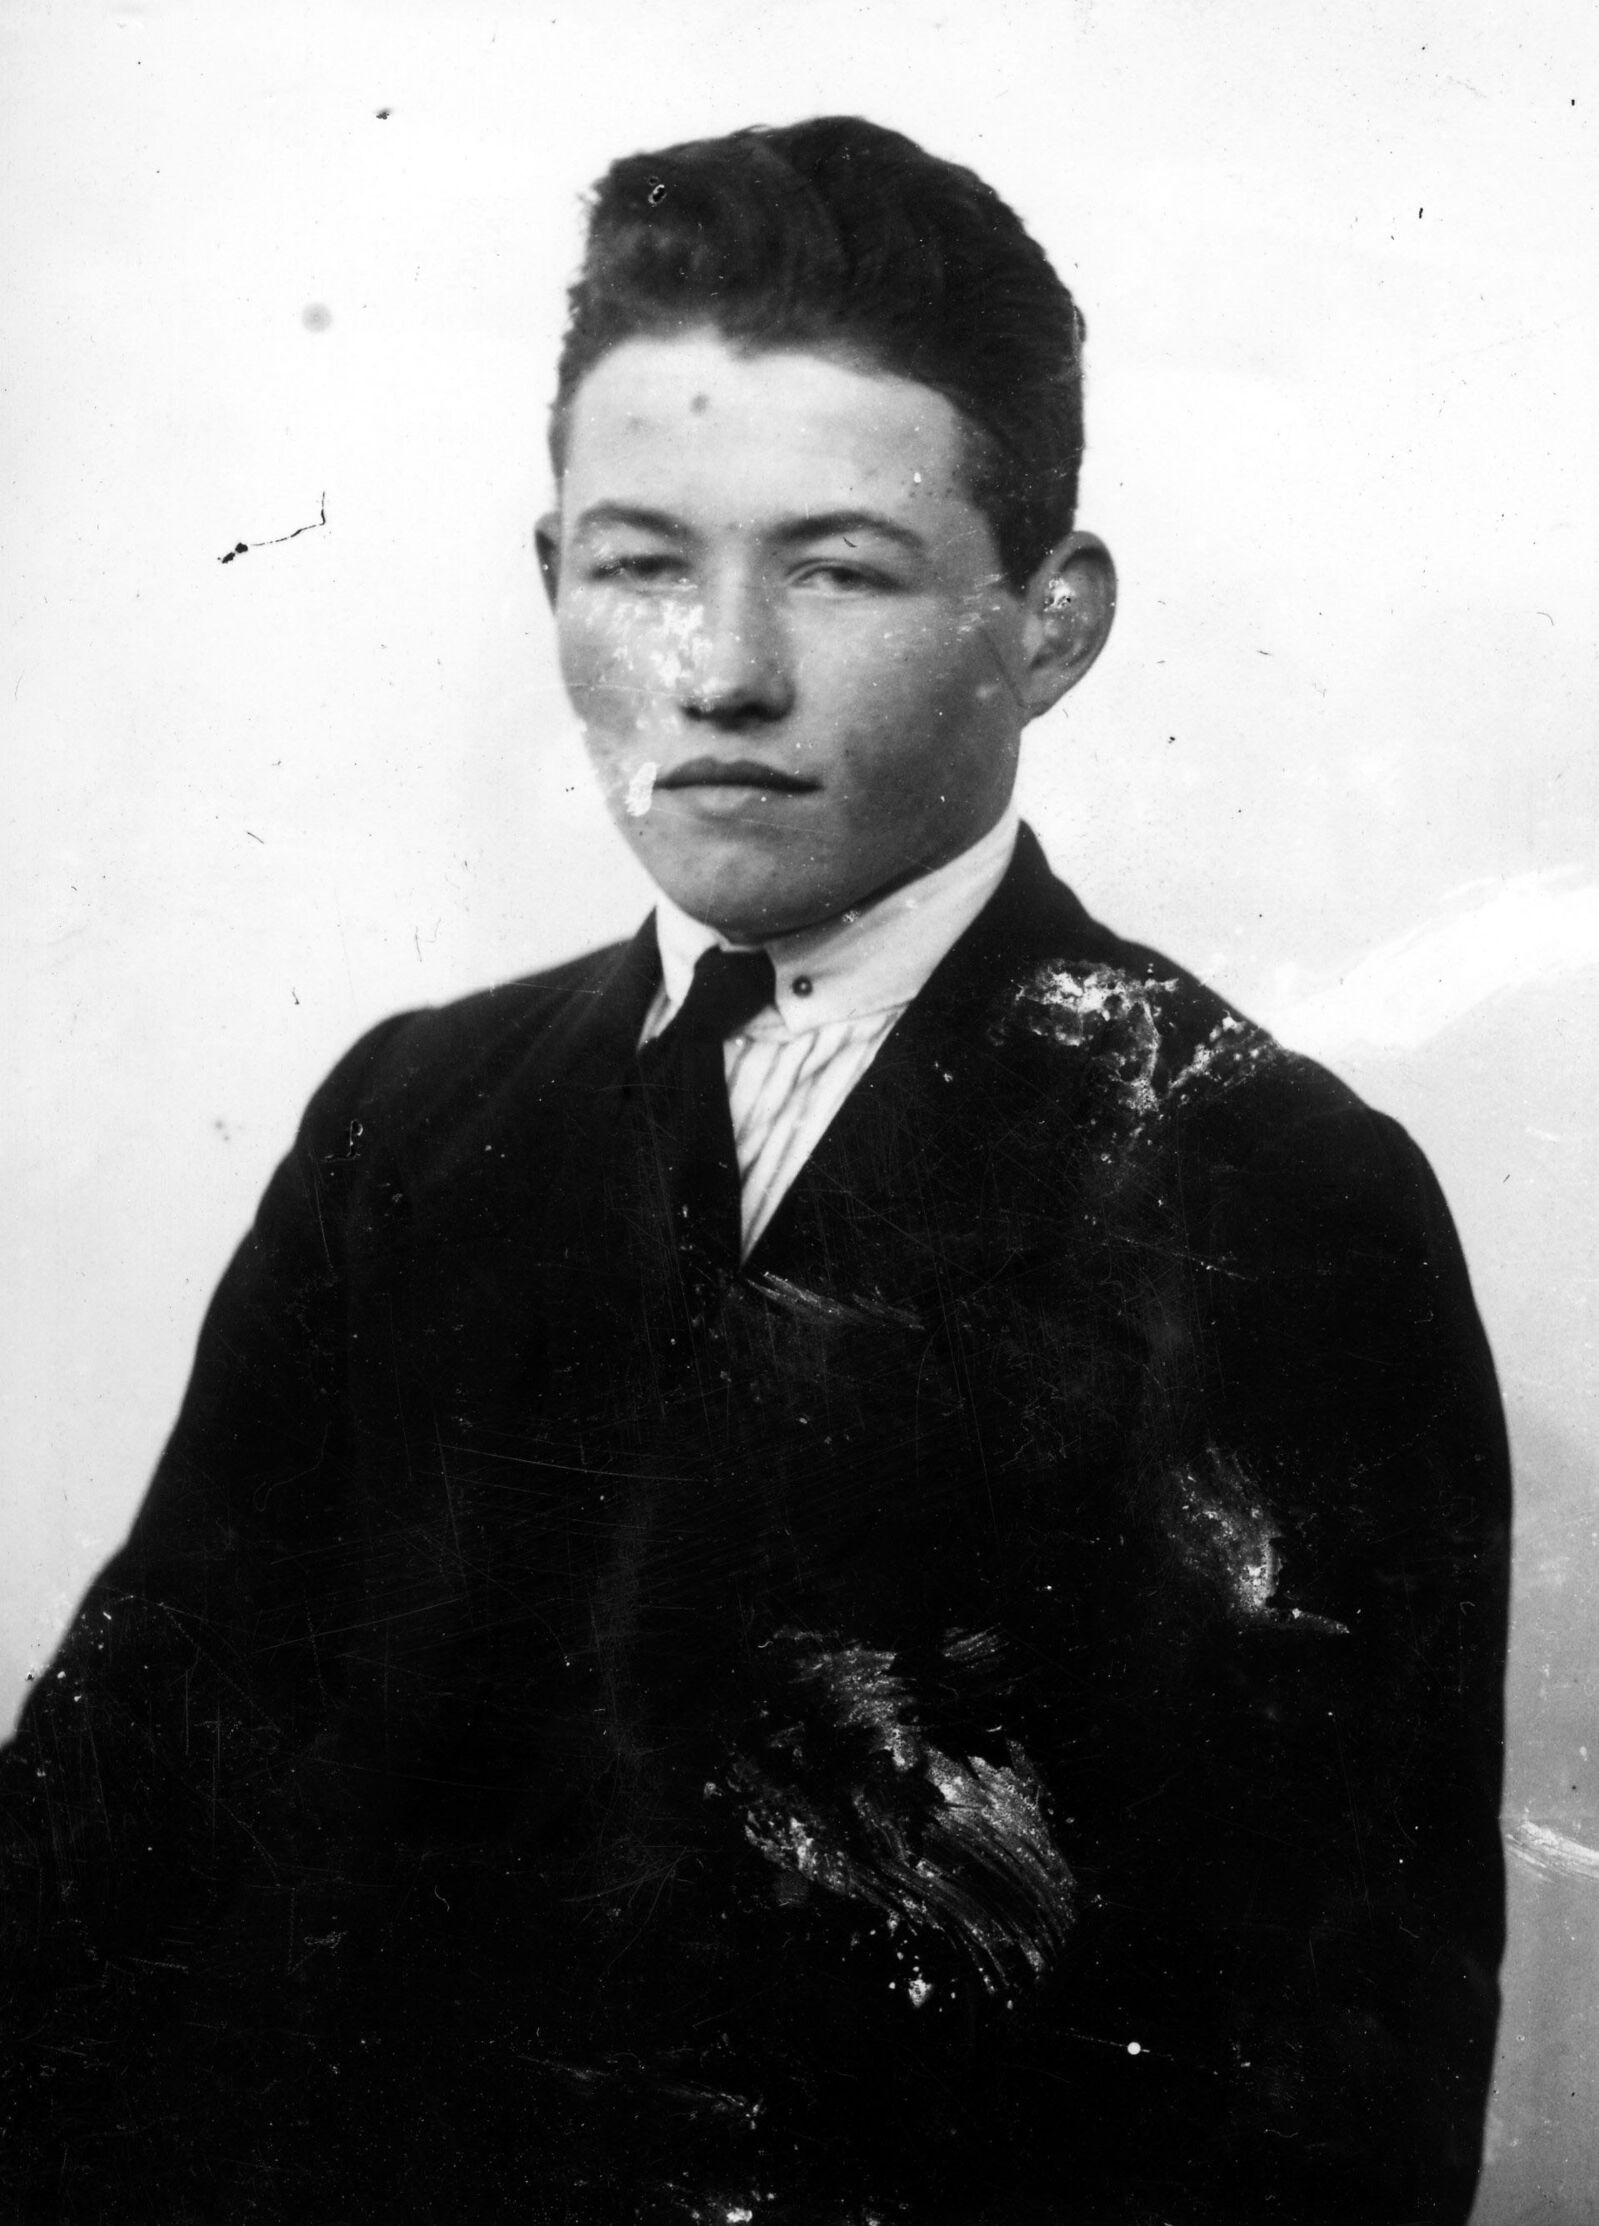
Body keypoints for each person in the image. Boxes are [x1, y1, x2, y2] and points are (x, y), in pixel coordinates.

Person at [0, 117, 1509, 2225]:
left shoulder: (1267, 1191)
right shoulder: (407, 1120)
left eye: (836, 566)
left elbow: (1321, 2104)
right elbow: (94, 1870)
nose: (719, 672)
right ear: (549, 576)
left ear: (1048, 622)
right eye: (640, 563)